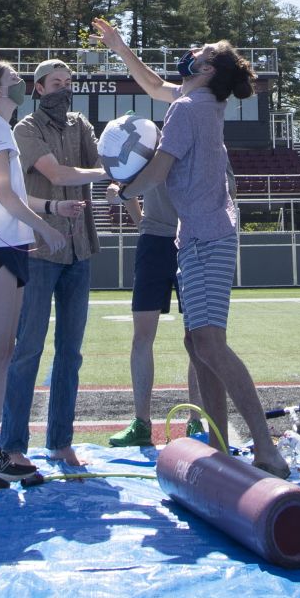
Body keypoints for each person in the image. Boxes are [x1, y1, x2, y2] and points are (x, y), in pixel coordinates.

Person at [92, 19, 290, 477]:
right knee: (198, 342)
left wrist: (122, 191)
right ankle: (219, 444)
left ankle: (264, 448)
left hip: (203, 237)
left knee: (211, 345)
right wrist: (121, 48)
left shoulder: (186, 110)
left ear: (204, 69)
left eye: (200, 51)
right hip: (205, 234)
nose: (191, 51)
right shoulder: (202, 101)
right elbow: (156, 84)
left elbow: (159, 171)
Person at [0, 60, 73, 493]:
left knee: (5, 352)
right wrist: (44, 227)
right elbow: (2, 191)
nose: (21, 85)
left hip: (10, 245)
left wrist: (30, 230)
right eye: (14, 81)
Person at [0, 60, 109, 474]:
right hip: (40, 249)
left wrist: (124, 176)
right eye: (56, 83)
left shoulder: (80, 125)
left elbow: (103, 161)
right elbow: (58, 172)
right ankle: (12, 445)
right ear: (39, 88)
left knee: (71, 353)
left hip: (80, 249)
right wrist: (109, 172)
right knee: (27, 350)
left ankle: (60, 442)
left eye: (68, 82)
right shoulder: (25, 129)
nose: (64, 89)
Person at [106, 160, 234, 447]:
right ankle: (141, 423)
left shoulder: (209, 144)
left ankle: (196, 420)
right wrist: (143, 225)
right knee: (142, 336)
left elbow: (228, 194)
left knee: (198, 336)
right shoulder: (153, 147)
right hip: (154, 244)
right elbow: (124, 187)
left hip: (192, 241)